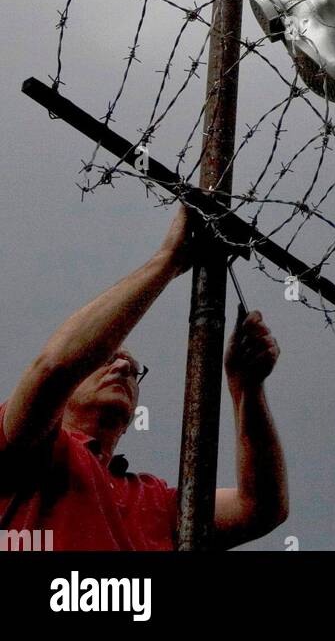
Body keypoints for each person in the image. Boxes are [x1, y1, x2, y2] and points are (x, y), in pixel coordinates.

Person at [0, 207, 288, 550]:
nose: (123, 368)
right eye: (107, 360)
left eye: (133, 369)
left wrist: (247, 388)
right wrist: (169, 261)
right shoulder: (29, 449)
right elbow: (52, 370)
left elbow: (260, 508)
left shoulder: (155, 501)